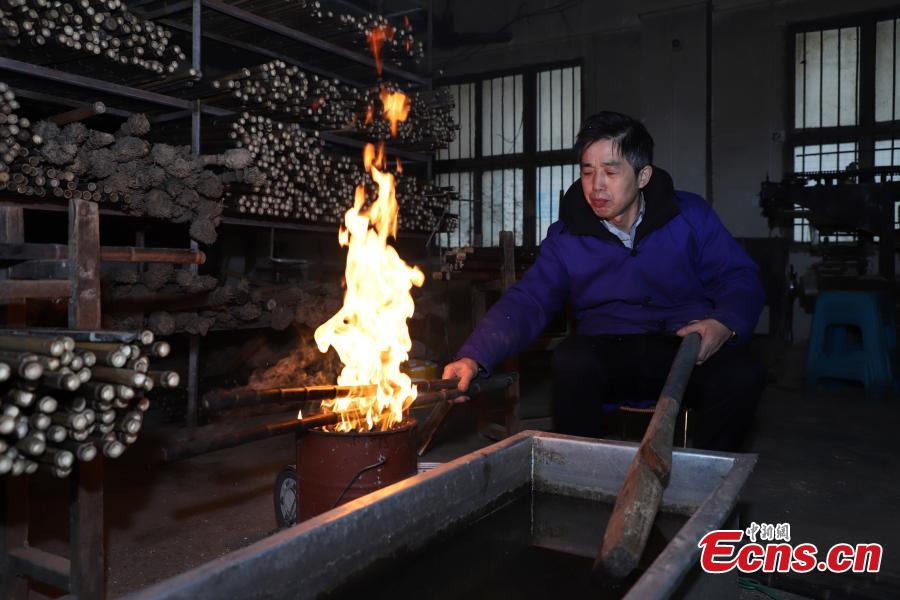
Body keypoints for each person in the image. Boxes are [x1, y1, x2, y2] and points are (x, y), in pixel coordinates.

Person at [442, 111, 766, 452]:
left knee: (742, 374)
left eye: (610, 172)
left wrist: (723, 323)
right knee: (571, 361)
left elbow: (740, 276)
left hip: (683, 346)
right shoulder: (567, 236)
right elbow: (529, 300)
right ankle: (579, 476)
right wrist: (474, 357)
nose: (596, 185)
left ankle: (706, 480)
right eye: (587, 172)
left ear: (643, 176)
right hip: (609, 351)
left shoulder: (689, 216)